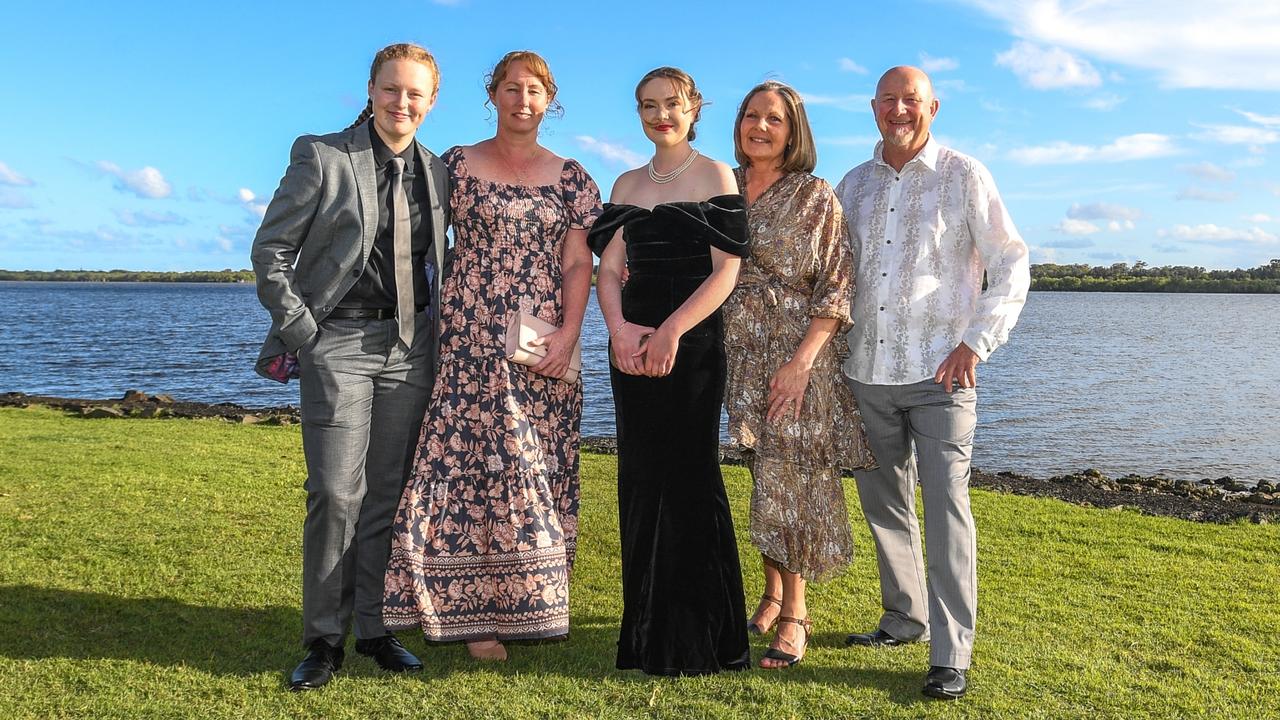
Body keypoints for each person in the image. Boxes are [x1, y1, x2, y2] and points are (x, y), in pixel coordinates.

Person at [382, 50, 601, 662]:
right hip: (468, 341)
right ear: (493, 95)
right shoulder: (456, 165)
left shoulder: (572, 177)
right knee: (466, 471)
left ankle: (528, 603)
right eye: (510, 88)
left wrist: (570, 333)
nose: (522, 100)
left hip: (542, 345)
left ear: (549, 100)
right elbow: (413, 237)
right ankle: (472, 616)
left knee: (533, 470)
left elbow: (579, 261)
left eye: (534, 90)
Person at [250, 42, 448, 691]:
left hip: (410, 348)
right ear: (370, 90)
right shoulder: (323, 155)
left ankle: (374, 628)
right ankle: (322, 639)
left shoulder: (439, 171)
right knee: (335, 493)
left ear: (431, 101)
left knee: (383, 497)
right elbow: (272, 249)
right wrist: (305, 334)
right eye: (392, 89)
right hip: (337, 342)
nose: (402, 102)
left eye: (415, 93)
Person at [835, 66, 1030, 700]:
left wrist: (977, 341)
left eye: (910, 100)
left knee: (946, 510)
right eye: (888, 100)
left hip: (943, 375)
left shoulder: (965, 175)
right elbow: (838, 276)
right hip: (865, 370)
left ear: (933, 107)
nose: (899, 110)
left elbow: (1010, 262)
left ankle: (951, 655)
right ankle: (903, 619)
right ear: (872, 108)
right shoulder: (852, 185)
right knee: (884, 508)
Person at [587, 66, 751, 676]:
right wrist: (620, 330)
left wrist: (672, 331)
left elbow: (725, 271)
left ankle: (705, 637)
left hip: (691, 344)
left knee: (690, 479)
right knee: (641, 480)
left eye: (672, 104)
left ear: (693, 108)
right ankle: (647, 636)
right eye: (648, 105)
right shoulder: (627, 182)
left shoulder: (713, 175)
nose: (661, 115)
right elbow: (608, 271)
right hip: (631, 346)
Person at [721, 80, 877, 669]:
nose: (760, 127)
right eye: (751, 116)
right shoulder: (721, 187)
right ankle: (770, 594)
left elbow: (838, 284)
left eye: (775, 120)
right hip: (738, 353)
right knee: (763, 472)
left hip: (796, 356)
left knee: (793, 482)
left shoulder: (815, 196)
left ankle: (795, 615)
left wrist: (802, 363)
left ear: (794, 131)